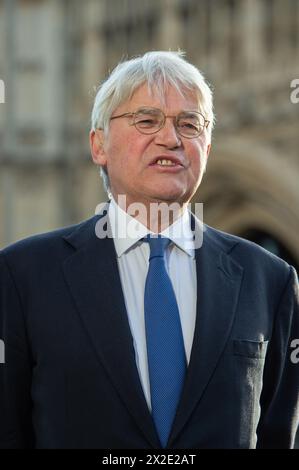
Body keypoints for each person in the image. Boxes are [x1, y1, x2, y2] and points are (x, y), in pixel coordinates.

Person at [0, 51, 298, 449]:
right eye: (146, 120)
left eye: (189, 124)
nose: (171, 138)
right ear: (99, 145)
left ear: (206, 149)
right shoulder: (23, 276)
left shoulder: (270, 280)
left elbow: (279, 434)